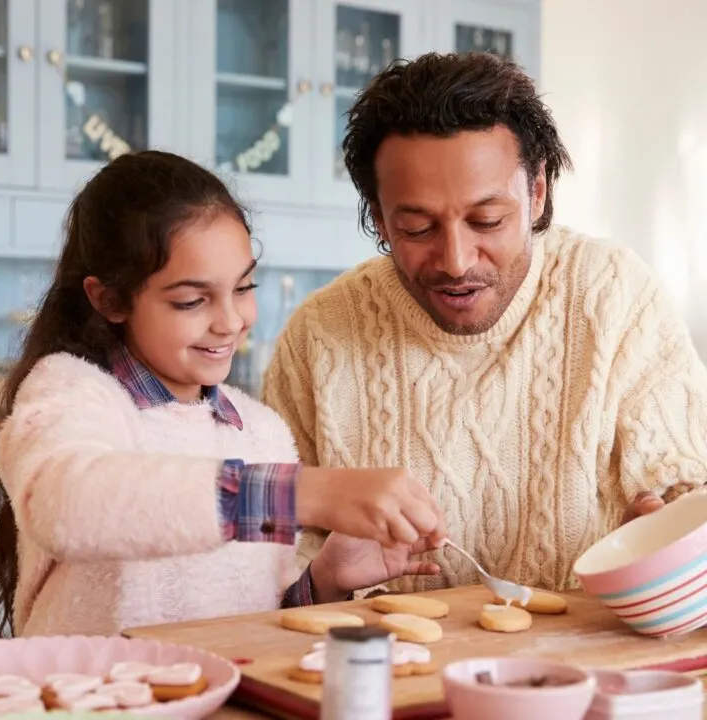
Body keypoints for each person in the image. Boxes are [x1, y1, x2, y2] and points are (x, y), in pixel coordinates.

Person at [262, 52, 707, 596]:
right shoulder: (318, 337)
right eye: (417, 227)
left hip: (583, 669)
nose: (455, 260)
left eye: (487, 221)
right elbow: (269, 581)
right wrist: (320, 582)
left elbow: (687, 488)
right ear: (378, 217)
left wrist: (673, 544)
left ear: (537, 191)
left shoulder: (614, 297)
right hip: (385, 673)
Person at [0, 150, 445, 638]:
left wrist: (325, 580)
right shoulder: (71, 392)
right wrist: (301, 494)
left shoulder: (260, 432)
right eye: (191, 300)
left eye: (244, 287)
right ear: (110, 299)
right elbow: (66, 505)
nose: (231, 321)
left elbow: (258, 615)